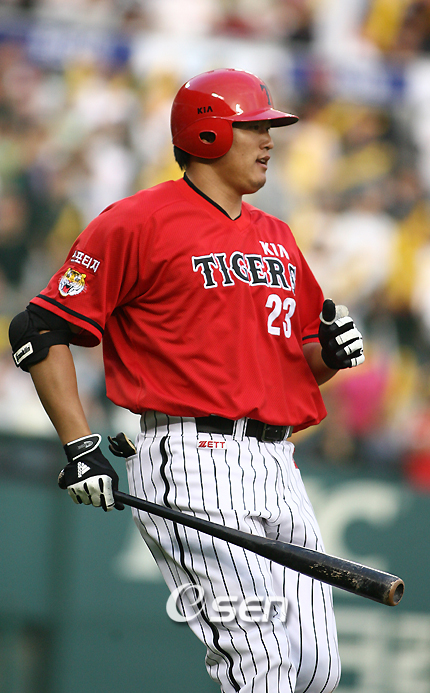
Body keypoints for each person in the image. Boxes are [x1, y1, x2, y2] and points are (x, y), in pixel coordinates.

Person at [9, 68, 365, 693]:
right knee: (261, 667)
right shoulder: (138, 220)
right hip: (192, 458)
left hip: (277, 462)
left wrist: (330, 356)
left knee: (314, 672)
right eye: (253, 127)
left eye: (269, 128)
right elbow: (37, 329)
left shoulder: (277, 235)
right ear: (206, 134)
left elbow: (293, 367)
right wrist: (80, 446)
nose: (269, 140)